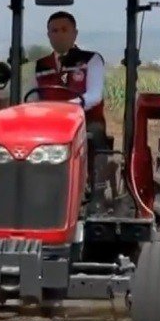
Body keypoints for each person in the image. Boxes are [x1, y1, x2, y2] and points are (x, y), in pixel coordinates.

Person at [31, 11, 113, 203]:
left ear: (75, 33)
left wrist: (65, 109)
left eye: (64, 30)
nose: (59, 34)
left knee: (95, 135)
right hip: (49, 122)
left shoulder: (91, 60)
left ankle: (97, 192)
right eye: (54, 30)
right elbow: (33, 97)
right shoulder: (40, 66)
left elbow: (94, 95)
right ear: (48, 35)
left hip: (85, 121)